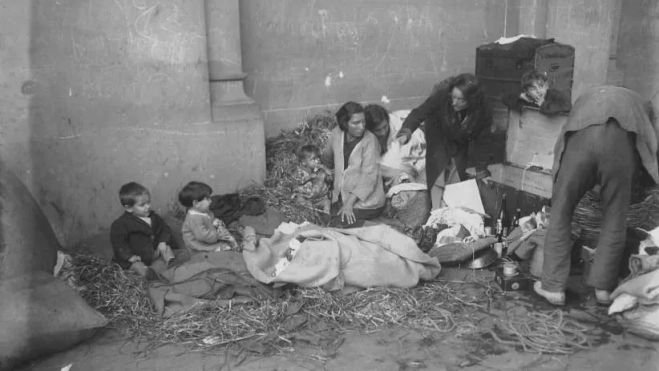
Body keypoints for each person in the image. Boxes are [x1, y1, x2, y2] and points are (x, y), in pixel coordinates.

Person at [534, 86, 659, 306]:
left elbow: (563, 141)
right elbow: (649, 148)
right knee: (615, 218)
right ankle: (603, 288)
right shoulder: (644, 106)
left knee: (561, 212)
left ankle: (553, 287)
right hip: (619, 147)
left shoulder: (586, 97)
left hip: (580, 143)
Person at [395, 73, 493, 210]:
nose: (454, 102)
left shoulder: (483, 110)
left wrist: (482, 171)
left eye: (460, 100)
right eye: (453, 97)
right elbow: (419, 113)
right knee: (438, 173)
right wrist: (406, 132)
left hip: (459, 140)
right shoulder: (442, 96)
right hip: (438, 133)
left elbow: (483, 142)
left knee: (457, 179)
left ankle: (452, 214)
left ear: (472, 100)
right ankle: (436, 212)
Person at [321, 101, 386, 227]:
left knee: (338, 224)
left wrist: (349, 204)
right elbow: (327, 157)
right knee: (325, 219)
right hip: (342, 196)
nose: (361, 126)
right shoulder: (337, 134)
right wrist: (326, 172)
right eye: (356, 123)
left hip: (366, 202)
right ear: (345, 123)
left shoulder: (370, 141)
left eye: (363, 122)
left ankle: (377, 226)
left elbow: (368, 178)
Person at [110, 182, 177, 278]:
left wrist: (162, 242)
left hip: (153, 252)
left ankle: (172, 263)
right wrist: (129, 256)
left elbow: (164, 229)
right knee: (138, 267)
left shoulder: (154, 217)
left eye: (148, 202)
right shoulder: (120, 225)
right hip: (137, 257)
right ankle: (149, 274)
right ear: (129, 208)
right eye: (142, 205)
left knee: (166, 248)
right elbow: (119, 243)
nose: (148, 206)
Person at [364, 104, 427, 186]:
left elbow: (408, 165)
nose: (383, 132)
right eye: (378, 130)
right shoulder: (365, 135)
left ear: (388, 121)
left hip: (420, 153)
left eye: (385, 127)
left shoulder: (400, 130)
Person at [179, 181, 240, 252]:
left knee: (227, 236)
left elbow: (210, 217)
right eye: (207, 199)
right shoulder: (194, 218)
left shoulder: (203, 211)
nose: (211, 201)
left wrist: (215, 221)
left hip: (209, 236)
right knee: (224, 246)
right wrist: (218, 236)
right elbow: (202, 236)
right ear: (196, 203)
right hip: (198, 243)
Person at [503, 70, 572, 115]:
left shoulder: (553, 94)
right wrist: (521, 96)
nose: (538, 91)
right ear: (527, 92)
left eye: (541, 86)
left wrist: (543, 104)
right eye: (533, 89)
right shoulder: (528, 99)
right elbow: (505, 98)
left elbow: (568, 106)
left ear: (546, 86)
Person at [294, 144, 333, 214]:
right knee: (301, 201)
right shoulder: (300, 171)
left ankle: (326, 213)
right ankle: (313, 213)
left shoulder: (320, 169)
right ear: (304, 162)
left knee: (327, 202)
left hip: (320, 197)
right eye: (313, 159)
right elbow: (298, 181)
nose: (317, 161)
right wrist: (309, 177)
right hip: (306, 197)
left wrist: (325, 168)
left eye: (318, 158)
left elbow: (330, 176)